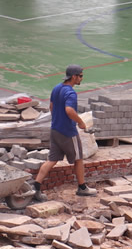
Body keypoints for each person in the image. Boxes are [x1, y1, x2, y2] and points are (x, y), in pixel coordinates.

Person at [31, 64, 97, 200]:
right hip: (68, 132)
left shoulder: (56, 88)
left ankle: (36, 187)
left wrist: (58, 119)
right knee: (79, 159)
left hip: (55, 130)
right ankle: (82, 188)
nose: (81, 79)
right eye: (80, 76)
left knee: (52, 160)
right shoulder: (71, 93)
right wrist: (80, 122)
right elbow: (69, 110)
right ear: (74, 77)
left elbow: (51, 107)